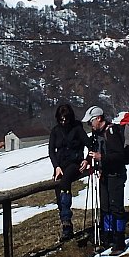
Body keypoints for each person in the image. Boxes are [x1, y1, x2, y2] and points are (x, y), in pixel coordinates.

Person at [80, 105, 128, 254]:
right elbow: (93, 149)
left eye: (91, 122)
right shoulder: (97, 134)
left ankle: (119, 241)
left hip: (115, 175)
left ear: (98, 119)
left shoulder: (111, 132)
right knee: (106, 208)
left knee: (116, 208)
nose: (89, 125)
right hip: (104, 175)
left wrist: (102, 157)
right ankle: (108, 237)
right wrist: (88, 160)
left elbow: (120, 155)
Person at [48, 103, 86, 241]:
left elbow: (88, 143)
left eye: (66, 119)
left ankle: (66, 220)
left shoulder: (77, 128)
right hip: (60, 165)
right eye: (61, 119)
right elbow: (51, 151)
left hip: (74, 163)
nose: (63, 122)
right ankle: (66, 226)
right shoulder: (55, 131)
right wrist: (56, 166)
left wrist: (86, 159)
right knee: (59, 192)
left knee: (65, 183)